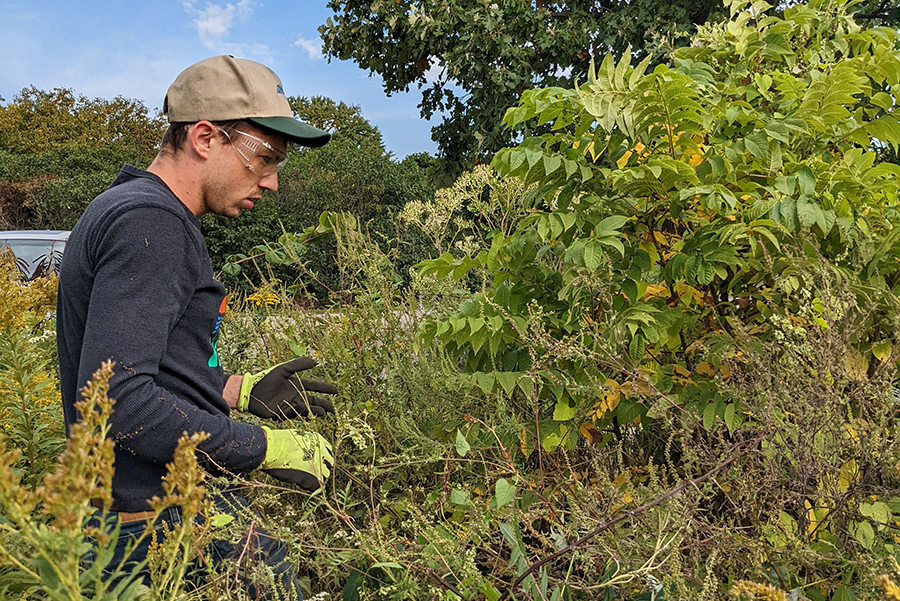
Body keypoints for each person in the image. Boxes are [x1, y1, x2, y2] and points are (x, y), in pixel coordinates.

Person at [56, 55, 338, 600]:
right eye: (265, 158)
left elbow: (147, 364)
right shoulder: (151, 222)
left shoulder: (132, 208)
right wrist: (262, 447)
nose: (273, 182)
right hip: (156, 518)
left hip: (143, 508)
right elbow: (118, 399)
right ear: (206, 137)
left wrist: (239, 389)